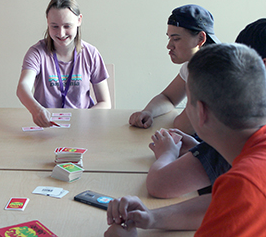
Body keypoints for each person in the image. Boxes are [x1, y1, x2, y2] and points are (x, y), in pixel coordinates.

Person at [105, 43, 266, 236]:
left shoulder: (245, 185)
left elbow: (238, 197)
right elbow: (221, 204)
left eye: (188, 101)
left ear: (201, 112)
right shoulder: (241, 184)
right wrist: (152, 217)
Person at [146, 18, 266, 199]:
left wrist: (168, 153)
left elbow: (159, 184)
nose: (169, 46)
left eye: (176, 38)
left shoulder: (240, 126)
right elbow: (228, 197)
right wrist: (199, 149)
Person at [16, 0, 111, 127]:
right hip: (47, 127)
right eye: (54, 26)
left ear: (79, 20)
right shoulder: (37, 52)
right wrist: (35, 110)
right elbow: (22, 88)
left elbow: (105, 103)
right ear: (47, 22)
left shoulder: (91, 53)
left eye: (67, 26)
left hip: (83, 127)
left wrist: (81, 119)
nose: (61, 33)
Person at [129, 4, 220, 135]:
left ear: (200, 38)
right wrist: (148, 112)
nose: (169, 46)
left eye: (176, 39)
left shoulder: (213, 72)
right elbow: (168, 97)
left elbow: (183, 126)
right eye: (169, 37)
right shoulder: (191, 66)